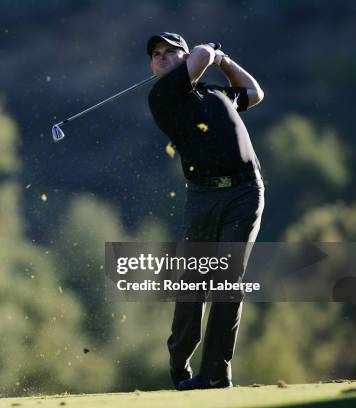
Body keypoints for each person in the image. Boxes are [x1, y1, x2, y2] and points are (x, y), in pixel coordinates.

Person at [146, 32, 265, 390]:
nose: (163, 58)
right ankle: (179, 357)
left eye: (171, 52)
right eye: (156, 55)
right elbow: (200, 54)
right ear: (152, 67)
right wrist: (210, 51)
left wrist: (223, 60)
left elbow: (255, 93)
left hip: (245, 192)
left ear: (183, 59)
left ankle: (215, 373)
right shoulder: (162, 96)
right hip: (202, 199)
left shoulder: (215, 93)